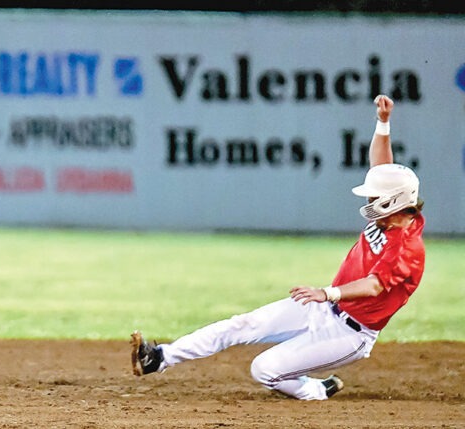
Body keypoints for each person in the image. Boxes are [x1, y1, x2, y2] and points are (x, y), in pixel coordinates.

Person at [130, 94, 425, 400]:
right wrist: (383, 123)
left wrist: (327, 293)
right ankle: (160, 357)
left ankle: (316, 390)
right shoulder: (391, 215)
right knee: (240, 325)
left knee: (264, 369)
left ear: (394, 201)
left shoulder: (408, 248)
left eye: (376, 197)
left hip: (350, 333)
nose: (370, 199)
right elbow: (381, 167)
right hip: (325, 306)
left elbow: (375, 286)